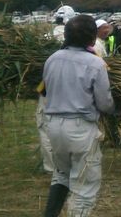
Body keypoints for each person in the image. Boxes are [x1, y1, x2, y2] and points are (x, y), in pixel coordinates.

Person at [42, 14, 115, 217]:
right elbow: (104, 102)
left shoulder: (52, 59)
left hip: (54, 126)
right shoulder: (95, 63)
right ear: (92, 37)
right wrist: (113, 110)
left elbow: (45, 90)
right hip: (80, 128)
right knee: (85, 186)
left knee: (61, 175)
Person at [37, 9, 75, 174]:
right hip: (75, 89)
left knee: (46, 126)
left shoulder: (45, 39)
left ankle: (53, 167)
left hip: (48, 88)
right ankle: (72, 161)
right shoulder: (79, 39)